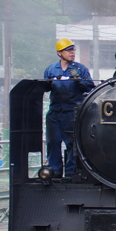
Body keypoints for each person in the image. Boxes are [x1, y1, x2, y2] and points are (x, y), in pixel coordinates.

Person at [44, 38, 94, 176]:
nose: (72, 53)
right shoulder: (51, 69)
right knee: (53, 142)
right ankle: (54, 172)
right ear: (60, 53)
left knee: (72, 143)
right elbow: (46, 87)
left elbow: (89, 87)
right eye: (68, 50)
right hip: (55, 112)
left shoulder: (80, 69)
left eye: (73, 50)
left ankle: (71, 172)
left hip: (72, 112)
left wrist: (79, 80)